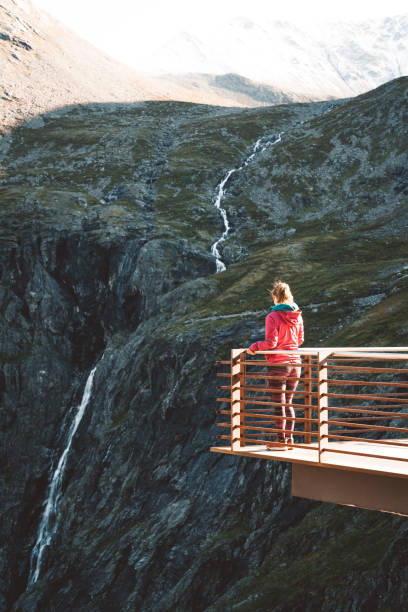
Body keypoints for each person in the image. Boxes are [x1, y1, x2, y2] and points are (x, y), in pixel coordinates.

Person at [247, 281, 304, 450]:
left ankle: (280, 441)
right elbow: (300, 340)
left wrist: (254, 347)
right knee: (289, 402)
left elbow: (271, 343)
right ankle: (289, 440)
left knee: (279, 405)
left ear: (275, 297)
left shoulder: (272, 316)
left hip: (279, 364)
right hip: (296, 363)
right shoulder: (298, 315)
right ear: (289, 296)